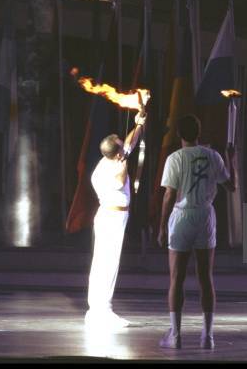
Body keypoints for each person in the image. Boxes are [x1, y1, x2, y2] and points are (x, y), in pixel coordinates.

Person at [157, 114, 236, 349]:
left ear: (180, 135)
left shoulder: (175, 158)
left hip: (182, 217)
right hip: (205, 216)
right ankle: (207, 337)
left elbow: (169, 194)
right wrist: (233, 160)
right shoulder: (214, 156)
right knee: (205, 278)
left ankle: (176, 335)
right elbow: (232, 187)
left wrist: (161, 227)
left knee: (176, 279)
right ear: (198, 132)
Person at [84, 103, 147, 330]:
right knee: (106, 264)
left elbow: (130, 142)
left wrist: (138, 123)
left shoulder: (115, 159)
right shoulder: (106, 170)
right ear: (115, 153)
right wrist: (124, 162)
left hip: (115, 218)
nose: (124, 149)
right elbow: (121, 181)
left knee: (105, 263)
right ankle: (102, 311)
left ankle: (97, 310)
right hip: (110, 219)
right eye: (121, 149)